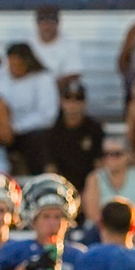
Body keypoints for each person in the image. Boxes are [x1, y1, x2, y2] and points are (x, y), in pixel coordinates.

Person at [0, 44, 59, 175]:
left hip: (29, 131)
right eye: (10, 64)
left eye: (18, 65)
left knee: (39, 142)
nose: (13, 69)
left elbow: (47, 115)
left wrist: (16, 127)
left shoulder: (43, 79)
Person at [43, 81, 107, 210]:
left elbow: (99, 163)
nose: (72, 105)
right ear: (62, 102)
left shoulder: (94, 129)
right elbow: (50, 167)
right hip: (62, 187)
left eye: (77, 100)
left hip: (89, 186)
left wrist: (89, 192)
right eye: (68, 99)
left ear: (84, 103)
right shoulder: (53, 131)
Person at [85, 136, 135, 220]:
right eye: (106, 154)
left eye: (116, 154)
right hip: (103, 230)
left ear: (128, 155)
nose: (110, 158)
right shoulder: (95, 178)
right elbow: (92, 214)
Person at [27, 5, 82, 88]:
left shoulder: (70, 45)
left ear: (58, 23)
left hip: (60, 92)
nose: (47, 27)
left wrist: (49, 89)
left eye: (50, 23)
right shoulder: (27, 44)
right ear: (37, 24)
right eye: (43, 23)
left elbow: (74, 74)